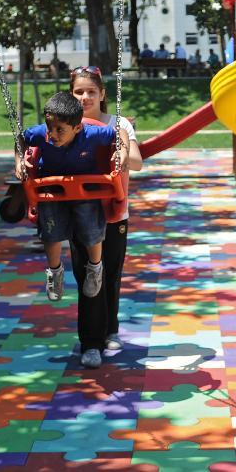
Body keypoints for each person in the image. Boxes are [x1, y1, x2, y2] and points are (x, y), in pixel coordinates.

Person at [19, 91, 125, 313]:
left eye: (60, 130)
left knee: (91, 227)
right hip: (51, 188)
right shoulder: (41, 134)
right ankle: (55, 270)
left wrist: (121, 151)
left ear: (77, 128)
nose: (52, 135)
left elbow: (119, 133)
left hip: (85, 190)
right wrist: (18, 160)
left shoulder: (93, 134)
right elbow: (20, 139)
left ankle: (95, 267)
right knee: (51, 230)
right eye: (50, 128)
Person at [69, 66, 142, 368]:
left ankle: (110, 329)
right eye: (79, 92)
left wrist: (122, 152)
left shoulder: (118, 124)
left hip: (113, 211)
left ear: (102, 95)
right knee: (88, 275)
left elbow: (137, 162)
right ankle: (90, 342)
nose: (85, 97)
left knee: (110, 273)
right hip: (78, 210)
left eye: (91, 91)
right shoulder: (67, 123)